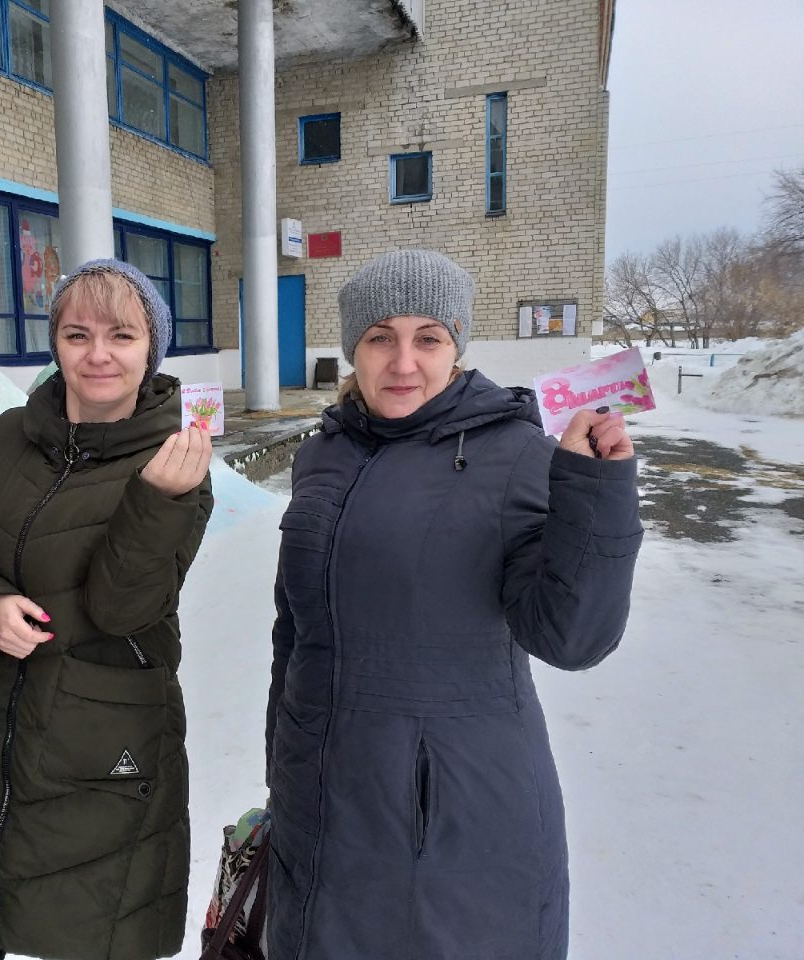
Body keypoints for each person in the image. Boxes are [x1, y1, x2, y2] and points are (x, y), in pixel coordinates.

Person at [265, 250, 643, 959]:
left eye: (429, 338)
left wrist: (595, 492)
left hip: (454, 823)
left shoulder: (517, 453)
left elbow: (572, 638)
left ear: (456, 346)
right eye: (381, 337)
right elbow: (297, 630)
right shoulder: (324, 453)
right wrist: (280, 768)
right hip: (317, 802)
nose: (403, 362)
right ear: (353, 349)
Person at [0, 259, 213, 960]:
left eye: (122, 335)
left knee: (93, 932)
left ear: (151, 350)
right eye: (77, 334)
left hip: (104, 752)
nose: (98, 355)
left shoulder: (176, 460)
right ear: (55, 344)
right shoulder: (9, 437)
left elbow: (124, 609)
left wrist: (156, 501)